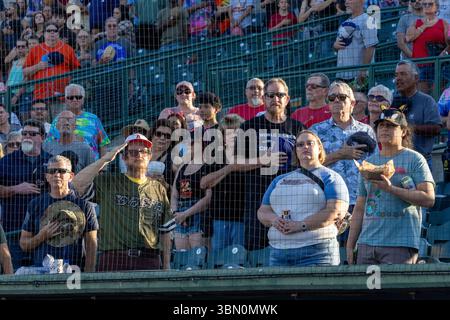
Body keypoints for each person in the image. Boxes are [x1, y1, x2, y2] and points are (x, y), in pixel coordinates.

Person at [72, 133, 173, 271]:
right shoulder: (108, 182)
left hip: (149, 259)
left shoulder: (158, 188)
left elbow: (165, 230)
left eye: (143, 151)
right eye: (133, 152)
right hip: (114, 258)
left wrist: (166, 266)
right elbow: (76, 185)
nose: (139, 155)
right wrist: (105, 159)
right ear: (124, 158)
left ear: (149, 156)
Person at [346, 109, 435, 264]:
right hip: (367, 243)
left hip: (400, 244)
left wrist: (391, 189)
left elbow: (429, 199)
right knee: (367, 289)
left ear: (403, 132)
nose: (384, 129)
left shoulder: (415, 159)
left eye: (390, 126)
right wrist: (350, 245)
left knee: (395, 289)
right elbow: (360, 207)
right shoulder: (368, 162)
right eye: (381, 126)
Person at [258, 130, 349, 266]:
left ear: (319, 148)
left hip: (317, 253)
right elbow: (262, 211)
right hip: (278, 254)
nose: (305, 147)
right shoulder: (279, 180)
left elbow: (335, 211)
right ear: (296, 151)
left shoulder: (331, 177)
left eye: (309, 143)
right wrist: (274, 220)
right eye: (300, 145)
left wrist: (300, 226)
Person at [237, 78, 306, 250]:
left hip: (291, 200)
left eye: (280, 95)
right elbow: (235, 163)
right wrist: (263, 161)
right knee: (256, 253)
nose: (276, 99)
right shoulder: (249, 127)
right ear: (264, 99)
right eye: (271, 95)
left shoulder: (298, 127)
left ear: (287, 99)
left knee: (290, 248)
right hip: (257, 200)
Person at [19, 155, 98, 271]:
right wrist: (42, 236)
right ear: (46, 177)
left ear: (71, 176)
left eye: (61, 171)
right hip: (42, 272)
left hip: (73, 271)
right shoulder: (35, 204)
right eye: (51, 171)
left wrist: (88, 274)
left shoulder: (85, 206)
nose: (56, 174)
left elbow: (91, 245)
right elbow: (24, 244)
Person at [310, 81, 376, 217]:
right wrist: (340, 154)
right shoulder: (316, 131)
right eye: (332, 98)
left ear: (352, 103)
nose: (336, 100)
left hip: (360, 200)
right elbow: (309, 167)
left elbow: (375, 164)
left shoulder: (366, 130)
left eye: (341, 97)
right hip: (328, 202)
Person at [0, 119, 51, 269]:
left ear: (42, 137)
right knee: (15, 277)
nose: (27, 137)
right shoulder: (6, 162)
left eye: (33, 134)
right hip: (13, 231)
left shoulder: (51, 161)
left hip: (43, 232)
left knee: (43, 278)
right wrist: (16, 188)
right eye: (25, 133)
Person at [23, 21, 80, 118]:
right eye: (49, 31)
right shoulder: (35, 50)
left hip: (61, 97)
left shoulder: (68, 49)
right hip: (40, 98)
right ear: (44, 33)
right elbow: (25, 72)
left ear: (58, 34)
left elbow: (77, 70)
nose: (52, 33)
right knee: (42, 128)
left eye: (55, 31)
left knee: (61, 126)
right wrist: (38, 66)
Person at [393, 60, 442, 170]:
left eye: (403, 74)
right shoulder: (391, 100)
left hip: (420, 161)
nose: (398, 78)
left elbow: (436, 129)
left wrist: (409, 127)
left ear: (416, 78)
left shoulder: (427, 101)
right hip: (395, 160)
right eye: (396, 75)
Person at [46, 84, 111, 160]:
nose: (74, 99)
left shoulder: (93, 119)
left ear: (83, 99)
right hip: (66, 165)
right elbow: (49, 143)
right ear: (66, 100)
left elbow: (103, 144)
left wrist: (103, 168)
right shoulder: (58, 120)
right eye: (70, 97)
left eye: (78, 97)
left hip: (91, 165)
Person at [171, 141, 212, 250]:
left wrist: (186, 214)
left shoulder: (208, 166)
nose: (188, 146)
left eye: (192, 143)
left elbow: (208, 198)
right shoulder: (182, 167)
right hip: (180, 214)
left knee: (198, 258)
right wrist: (176, 213)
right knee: (182, 258)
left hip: (199, 215)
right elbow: (174, 194)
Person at [406, 0, 450, 93]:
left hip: (438, 65)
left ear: (437, 7)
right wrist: (424, 26)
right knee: (423, 96)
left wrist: (443, 54)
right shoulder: (416, 23)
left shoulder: (443, 23)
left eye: (430, 4)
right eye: (424, 4)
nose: (427, 6)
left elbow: (449, 44)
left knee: (436, 95)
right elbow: (408, 38)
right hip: (420, 65)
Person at [333, 0, 378, 85]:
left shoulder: (369, 20)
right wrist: (335, 46)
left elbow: (370, 47)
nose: (346, 3)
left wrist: (363, 71)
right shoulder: (344, 22)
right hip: (341, 75)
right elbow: (338, 47)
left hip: (358, 76)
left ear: (361, 1)